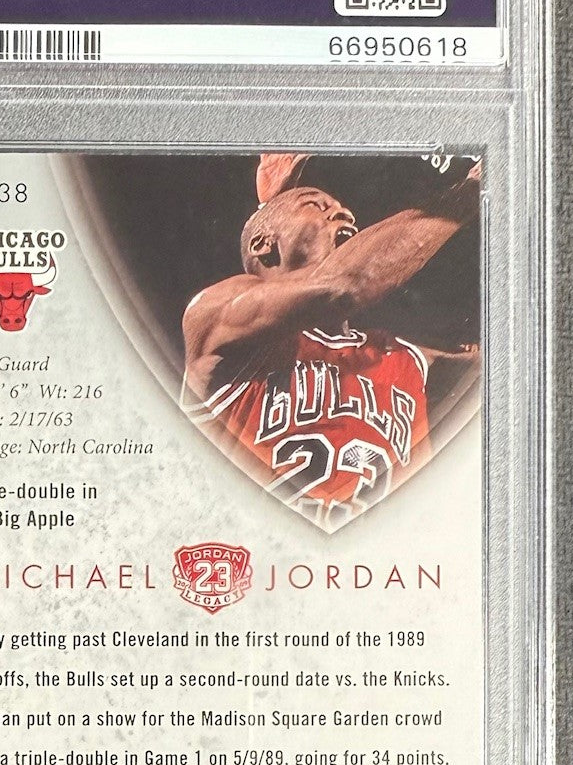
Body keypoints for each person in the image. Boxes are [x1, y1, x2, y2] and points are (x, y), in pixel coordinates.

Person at [182, 153, 479, 529]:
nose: (346, 214)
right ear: (262, 244)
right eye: (317, 206)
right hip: (257, 551)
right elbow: (342, 283)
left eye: (342, 210)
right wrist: (475, 186)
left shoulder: (411, 357)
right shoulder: (215, 316)